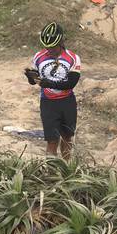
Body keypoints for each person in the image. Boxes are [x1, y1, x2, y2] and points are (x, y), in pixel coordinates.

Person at [24, 22, 81, 160]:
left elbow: (71, 84)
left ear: (61, 42)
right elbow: (34, 82)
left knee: (67, 137)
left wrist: (48, 83)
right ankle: (51, 171)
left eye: (52, 47)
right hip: (48, 103)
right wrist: (31, 77)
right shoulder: (38, 56)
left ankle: (67, 168)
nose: (49, 50)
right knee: (52, 140)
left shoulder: (73, 58)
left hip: (67, 102)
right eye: (46, 47)